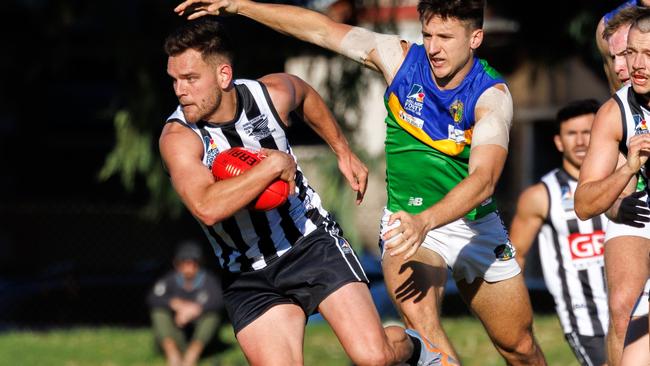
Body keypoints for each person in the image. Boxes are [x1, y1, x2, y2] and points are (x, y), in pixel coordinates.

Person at [173, 0, 546, 364]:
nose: (433, 48)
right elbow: (319, 29)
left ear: (476, 38)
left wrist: (427, 220)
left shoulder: (490, 97)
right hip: (406, 224)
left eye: (445, 37)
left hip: (470, 224)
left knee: (519, 346)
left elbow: (483, 180)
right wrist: (240, 6)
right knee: (424, 326)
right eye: (427, 34)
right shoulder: (399, 59)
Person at [158, 19, 452, 366]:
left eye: (190, 79)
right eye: (174, 79)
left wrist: (343, 150)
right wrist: (271, 166)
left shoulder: (269, 96)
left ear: (223, 76)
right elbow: (206, 207)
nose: (180, 90)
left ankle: (420, 352)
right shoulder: (179, 138)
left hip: (308, 242)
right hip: (247, 271)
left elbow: (305, 93)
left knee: (374, 358)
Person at [510, 100, 611, 365]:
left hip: (635, 309)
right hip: (584, 319)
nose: (580, 141)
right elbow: (515, 258)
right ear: (558, 142)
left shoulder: (622, 182)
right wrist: (518, 321)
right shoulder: (540, 196)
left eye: (587, 132)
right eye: (571, 134)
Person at [576, 8, 650, 366]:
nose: (629, 65)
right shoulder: (615, 109)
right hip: (639, 205)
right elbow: (585, 200)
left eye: (641, 54)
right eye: (620, 56)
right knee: (623, 305)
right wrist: (625, 173)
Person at [148, 240, 224, 366]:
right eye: (184, 262)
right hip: (177, 333)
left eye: (193, 262)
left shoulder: (209, 281)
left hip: (201, 339)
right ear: (176, 263)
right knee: (159, 312)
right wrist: (175, 304)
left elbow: (219, 301)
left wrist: (196, 309)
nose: (189, 266)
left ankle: (191, 357)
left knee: (212, 315)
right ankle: (172, 356)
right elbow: (153, 298)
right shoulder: (169, 280)